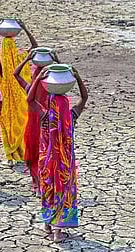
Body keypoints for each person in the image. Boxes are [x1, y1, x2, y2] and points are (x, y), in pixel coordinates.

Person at [27, 65, 88, 242]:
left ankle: (47, 224)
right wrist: (77, 78)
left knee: (48, 189)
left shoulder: (45, 115)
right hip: (64, 164)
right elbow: (84, 97)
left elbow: (29, 100)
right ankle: (58, 232)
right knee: (63, 190)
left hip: (46, 161)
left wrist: (38, 79)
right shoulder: (71, 116)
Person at [0, 18, 38, 166]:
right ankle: (22, 152)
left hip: (5, 99)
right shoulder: (20, 58)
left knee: (8, 124)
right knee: (22, 123)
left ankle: (11, 155)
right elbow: (35, 46)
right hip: (20, 96)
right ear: (14, 47)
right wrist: (25, 29)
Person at [14, 49, 61, 197]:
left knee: (36, 155)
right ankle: (40, 184)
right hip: (43, 125)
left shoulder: (32, 92)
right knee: (42, 154)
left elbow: (16, 74)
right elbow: (62, 79)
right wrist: (57, 62)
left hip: (39, 124)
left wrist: (27, 59)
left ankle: (38, 183)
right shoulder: (49, 92)